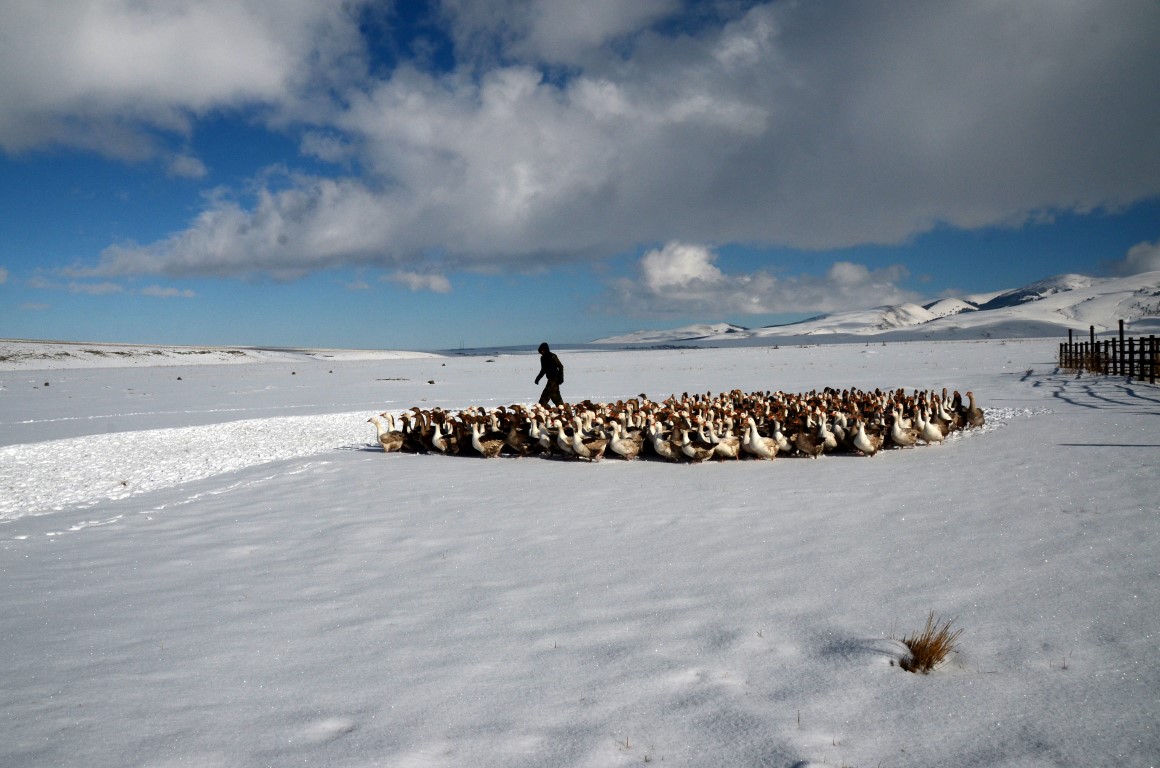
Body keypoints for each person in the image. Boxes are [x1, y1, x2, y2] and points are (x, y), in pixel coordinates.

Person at [534, 342, 564, 407]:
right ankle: (561, 408)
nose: (541, 352)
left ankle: (541, 407)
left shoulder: (553, 356)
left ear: (545, 350)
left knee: (546, 394)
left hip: (555, 378)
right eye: (540, 351)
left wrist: (561, 377)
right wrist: (538, 378)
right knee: (555, 395)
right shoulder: (543, 358)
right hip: (550, 378)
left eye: (542, 350)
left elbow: (560, 366)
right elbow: (543, 370)